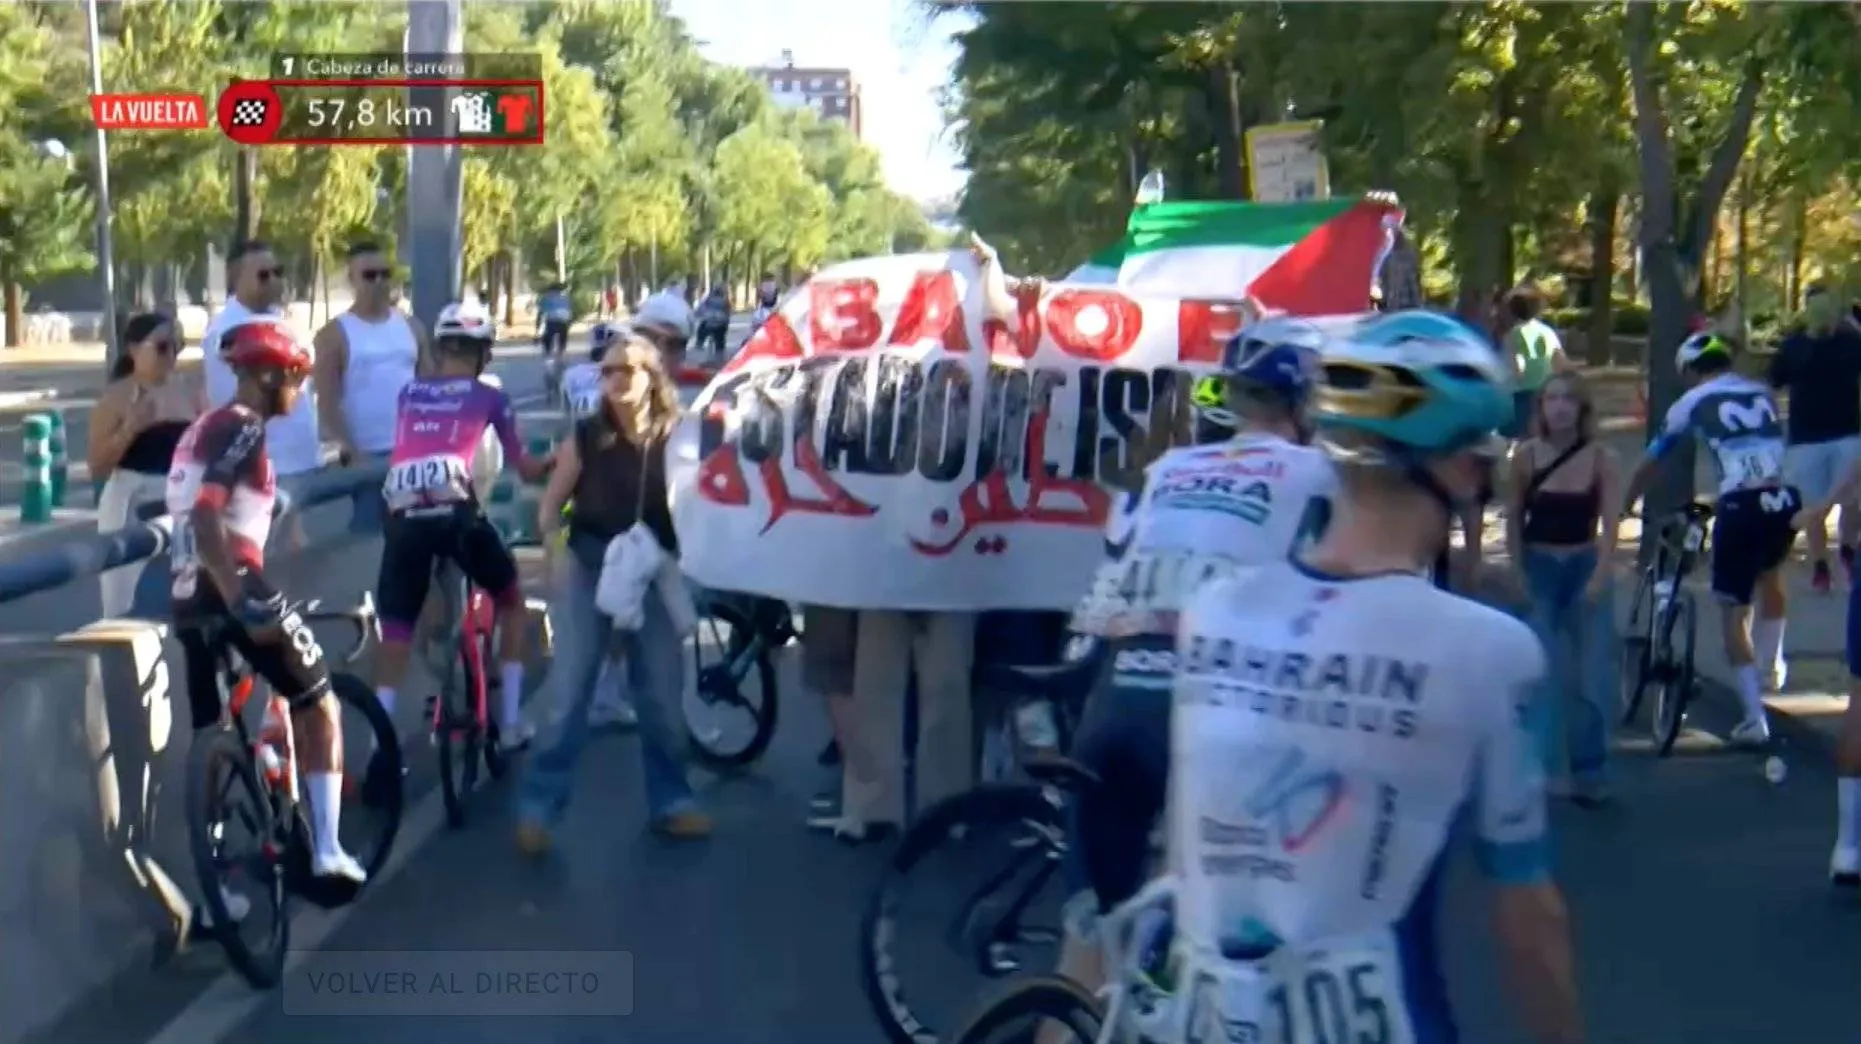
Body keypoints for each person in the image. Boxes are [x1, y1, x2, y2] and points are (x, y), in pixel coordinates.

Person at [1160, 311, 1583, 1044]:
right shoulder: (1486, 650)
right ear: (1458, 470)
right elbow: (1528, 920)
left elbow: (1180, 854)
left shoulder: (1212, 614)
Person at [1051, 317, 1337, 996]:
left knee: (1085, 945)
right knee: (1198, 938)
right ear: (1303, 402)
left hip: (1112, 699)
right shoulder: (1317, 474)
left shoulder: (1169, 468)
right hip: (1205, 719)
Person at [169, 319, 370, 922]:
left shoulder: (202, 427)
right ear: (269, 376)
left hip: (185, 599)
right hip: (231, 587)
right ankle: (329, 850)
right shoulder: (242, 427)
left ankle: (213, 896)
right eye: (297, 378)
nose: (301, 390)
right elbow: (208, 519)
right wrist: (239, 597)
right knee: (319, 700)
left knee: (214, 736)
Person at [519, 332, 709, 847]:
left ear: (652, 376)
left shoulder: (678, 434)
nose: (615, 380)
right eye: (607, 371)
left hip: (653, 567)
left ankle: (672, 800)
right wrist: (555, 551)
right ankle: (538, 809)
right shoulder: (586, 436)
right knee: (570, 691)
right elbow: (551, 506)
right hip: (591, 562)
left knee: (663, 696)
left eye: (626, 369)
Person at [370, 301, 550, 796]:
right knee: (511, 600)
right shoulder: (489, 397)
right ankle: (509, 721)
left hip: (403, 516)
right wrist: (556, 462)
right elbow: (523, 466)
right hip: (457, 513)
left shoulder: (409, 394)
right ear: (484, 354)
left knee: (396, 631)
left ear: (439, 348)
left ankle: (379, 743)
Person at [1618, 332, 1797, 746]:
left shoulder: (1691, 402)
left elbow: (1654, 457)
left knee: (1732, 611)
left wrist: (1628, 500)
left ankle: (1755, 718)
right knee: (1772, 578)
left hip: (1739, 506)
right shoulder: (1760, 392)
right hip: (1780, 497)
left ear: (1691, 370)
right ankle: (1774, 663)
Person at [1504, 372, 1621, 805]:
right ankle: (1547, 767)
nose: (1560, 407)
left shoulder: (1600, 457)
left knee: (1592, 672)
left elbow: (1611, 524)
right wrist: (1515, 571)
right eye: (1552, 399)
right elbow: (1513, 517)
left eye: (1569, 399)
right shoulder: (1526, 456)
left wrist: (1601, 574)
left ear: (1582, 408)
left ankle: (1591, 767)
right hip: (1539, 564)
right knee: (1543, 669)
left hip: (1583, 561)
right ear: (1541, 408)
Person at [202, 241, 322, 544]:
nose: (274, 281)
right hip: (265, 462)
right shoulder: (226, 332)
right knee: (264, 555)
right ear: (234, 277)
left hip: (301, 458)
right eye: (263, 275)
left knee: (298, 550)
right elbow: (232, 401)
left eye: (277, 273)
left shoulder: (281, 321)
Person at [550, 319, 639, 731]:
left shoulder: (573, 376)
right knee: (619, 601)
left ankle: (597, 690)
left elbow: (564, 423)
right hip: (609, 487)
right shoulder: (624, 383)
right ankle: (604, 690)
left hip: (576, 479)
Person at [91, 312, 205, 617]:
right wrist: (132, 427)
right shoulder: (117, 397)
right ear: (133, 349)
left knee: (186, 592)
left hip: (180, 500)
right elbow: (98, 466)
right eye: (162, 347)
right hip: (130, 500)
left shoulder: (189, 391)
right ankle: (121, 657)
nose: (172, 356)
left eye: (177, 347)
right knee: (122, 597)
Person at [313, 242, 432, 535]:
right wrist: (352, 452)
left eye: (384, 274)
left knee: (419, 536)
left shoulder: (411, 327)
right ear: (351, 279)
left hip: (412, 454)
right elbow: (327, 402)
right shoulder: (335, 334)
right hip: (367, 458)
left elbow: (430, 388)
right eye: (369, 275)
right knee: (368, 539)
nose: (379, 282)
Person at [1769, 283, 1861, 593]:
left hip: (1847, 434)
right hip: (1805, 439)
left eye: (1829, 306)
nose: (1825, 314)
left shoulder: (1852, 343)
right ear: (1807, 311)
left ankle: (1847, 549)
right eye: (1818, 307)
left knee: (1853, 502)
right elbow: (1773, 383)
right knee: (1813, 506)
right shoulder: (1792, 346)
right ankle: (1821, 564)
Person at [1499, 286, 1565, 440]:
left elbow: (1517, 365)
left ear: (1512, 311)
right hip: (1546, 389)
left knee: (1518, 433)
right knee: (1541, 432)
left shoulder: (1514, 333)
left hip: (1522, 392)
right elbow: (1559, 359)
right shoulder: (1547, 331)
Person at [536, 282, 573, 360]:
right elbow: (570, 311)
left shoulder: (546, 297)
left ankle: (548, 353)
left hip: (552, 321)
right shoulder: (565, 298)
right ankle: (561, 353)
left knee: (547, 337)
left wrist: (537, 329)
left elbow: (541, 313)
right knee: (562, 338)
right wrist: (569, 323)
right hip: (563, 321)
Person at [695, 284, 731, 360]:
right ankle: (720, 353)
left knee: (701, 329)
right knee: (721, 338)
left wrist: (698, 314)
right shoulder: (725, 301)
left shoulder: (708, 299)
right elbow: (728, 313)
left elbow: (700, 309)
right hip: (720, 324)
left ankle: (700, 342)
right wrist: (726, 324)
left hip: (709, 323)